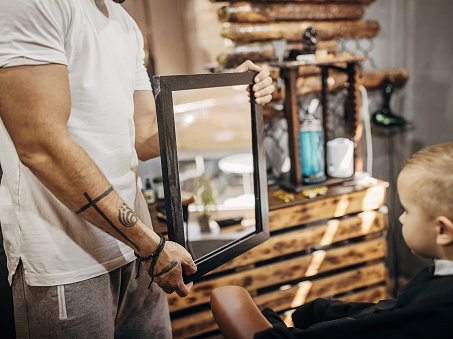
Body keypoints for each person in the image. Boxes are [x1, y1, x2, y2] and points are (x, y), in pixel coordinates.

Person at [0, 0, 274, 337]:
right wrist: (150, 245)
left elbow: (145, 137)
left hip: (136, 255)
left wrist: (231, 95)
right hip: (66, 262)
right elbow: (41, 146)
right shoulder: (32, 3)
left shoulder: (124, 23)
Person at [252, 142, 453, 338]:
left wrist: (270, 326)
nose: (401, 219)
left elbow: (373, 329)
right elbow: (389, 310)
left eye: (407, 210)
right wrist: (327, 310)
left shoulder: (439, 307)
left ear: (443, 230)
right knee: (319, 309)